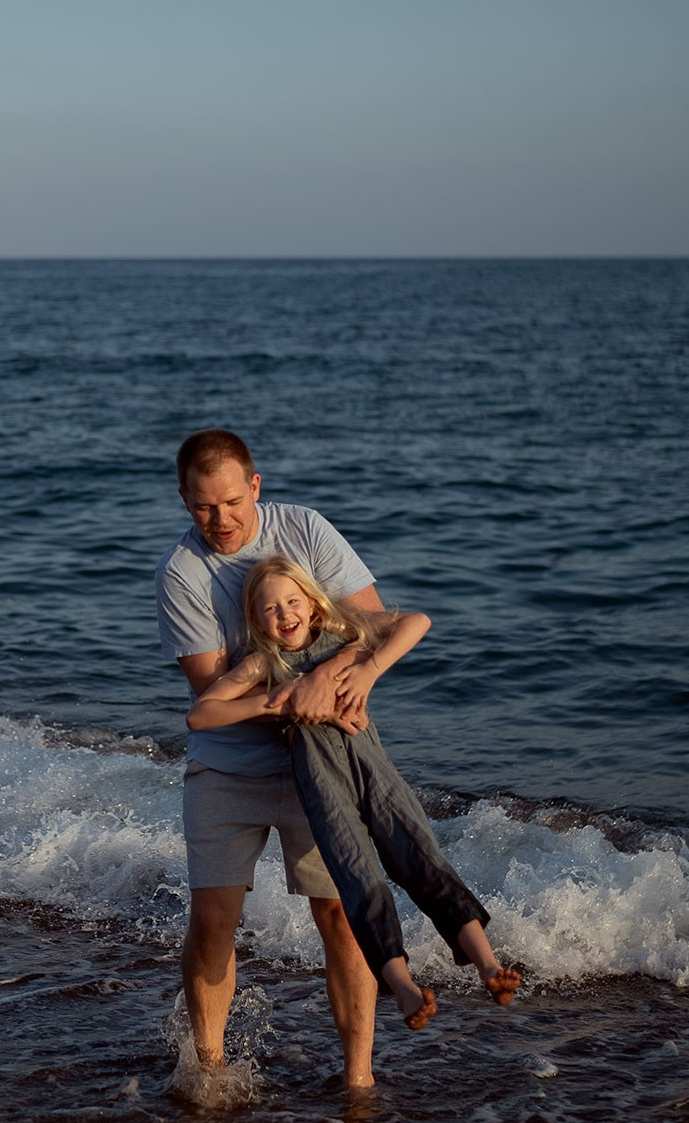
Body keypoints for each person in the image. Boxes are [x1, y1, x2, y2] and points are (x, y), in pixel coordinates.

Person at [187, 555, 521, 1030]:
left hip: (375, 772)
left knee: (421, 858)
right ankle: (404, 989)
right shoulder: (266, 663)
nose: (284, 615)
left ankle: (489, 965)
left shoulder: (342, 634)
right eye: (269, 609)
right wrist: (281, 699)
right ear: (255, 620)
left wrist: (370, 670)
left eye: (292, 601)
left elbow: (416, 620)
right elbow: (201, 714)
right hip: (323, 790)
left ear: (311, 603)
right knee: (358, 878)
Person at [155, 429, 388, 1088]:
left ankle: (359, 1077)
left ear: (255, 486)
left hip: (322, 759)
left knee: (340, 914)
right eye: (203, 507)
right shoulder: (181, 573)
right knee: (213, 919)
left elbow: (373, 621)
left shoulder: (305, 530)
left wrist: (328, 675)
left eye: (232, 502)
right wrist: (297, 685)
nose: (221, 520)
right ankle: (209, 1068)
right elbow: (211, 691)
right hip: (226, 768)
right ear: (184, 500)